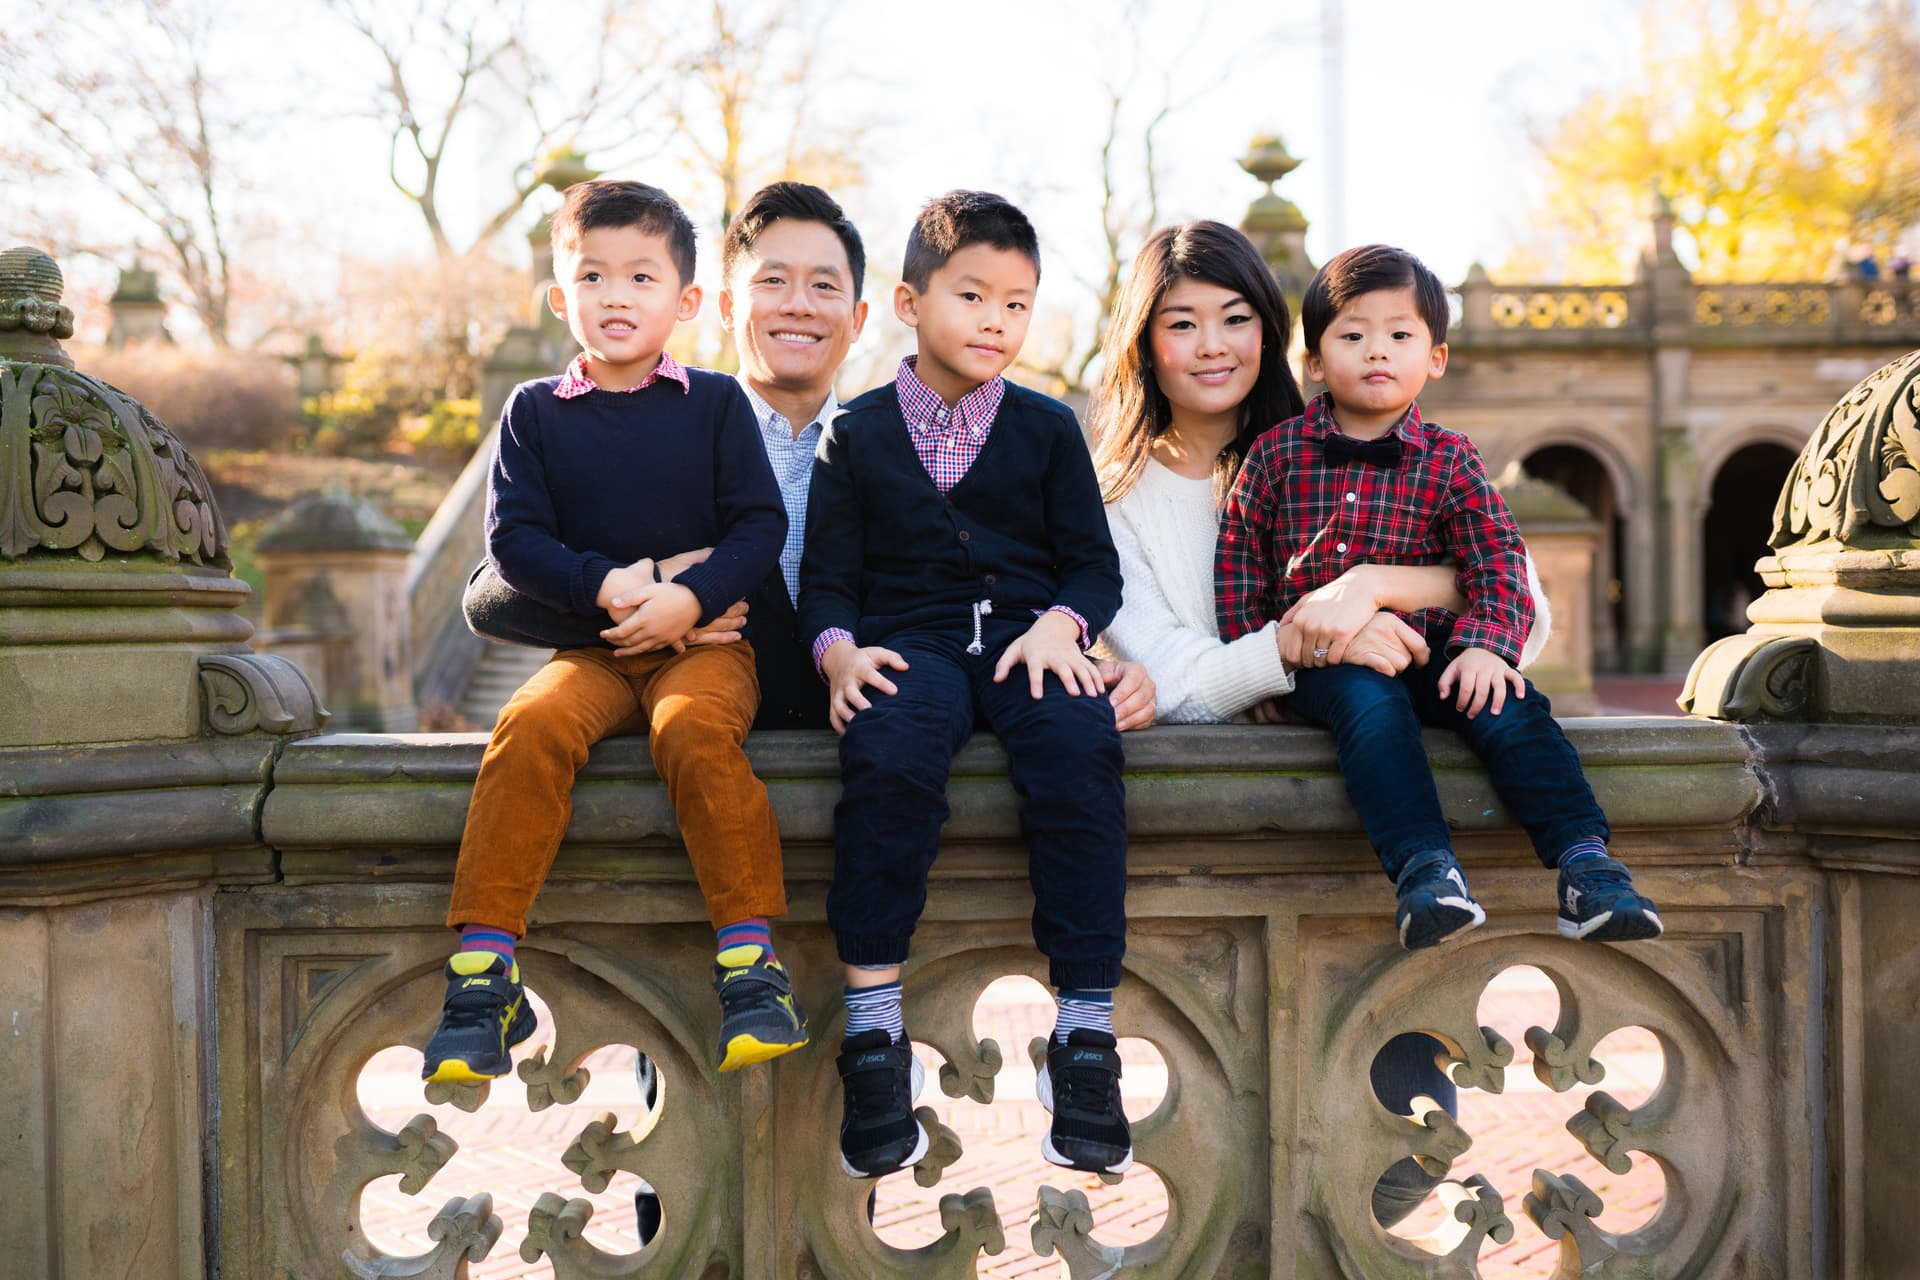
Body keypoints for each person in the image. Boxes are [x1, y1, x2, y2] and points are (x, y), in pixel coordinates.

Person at [1088, 219, 1551, 1230]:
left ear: (1273, 333)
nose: (1212, 344)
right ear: (1143, 340)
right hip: (1217, 826)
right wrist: (1300, 641)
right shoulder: (1112, 499)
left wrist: (1371, 584)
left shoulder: (1350, 433)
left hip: (1371, 827)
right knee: (1231, 1172)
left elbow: (1530, 604)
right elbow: (1177, 677)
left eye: (1235, 317)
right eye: (1182, 322)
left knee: (1384, 1163)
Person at [462, 180, 1157, 731]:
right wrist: (662, 594)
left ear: (860, 318)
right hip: (701, 745)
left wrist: (1108, 661)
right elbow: (491, 595)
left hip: (878, 743)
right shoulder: (667, 428)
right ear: (725, 307)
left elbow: (995, 588)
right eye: (772, 281)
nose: (799, 305)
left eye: (825, 285)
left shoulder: (894, 443)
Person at [421, 179, 810, 1089]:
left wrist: (687, 598)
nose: (616, 296)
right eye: (593, 276)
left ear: (683, 302)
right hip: (592, 654)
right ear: (562, 297)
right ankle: (485, 972)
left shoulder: (714, 404)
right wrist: (609, 586)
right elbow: (512, 543)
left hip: (709, 651)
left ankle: (751, 963)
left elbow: (759, 527)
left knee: (693, 735)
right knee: (528, 729)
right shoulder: (534, 413)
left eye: (641, 277)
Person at [801, 190, 1134, 1181]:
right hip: (911, 646)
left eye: (1019, 303)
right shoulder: (853, 433)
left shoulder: (1047, 427)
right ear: (910, 300)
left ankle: (1082, 1035)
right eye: (974, 296)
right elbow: (825, 577)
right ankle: (873, 1034)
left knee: (1079, 754)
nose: (997, 320)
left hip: (1034, 642)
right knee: (889, 757)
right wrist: (838, 653)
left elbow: (1092, 567)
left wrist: (1064, 624)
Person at [1216, 242, 1663, 954]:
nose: (1376, 352)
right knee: (1371, 709)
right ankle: (1426, 871)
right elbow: (1238, 566)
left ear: (1436, 357)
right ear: (1314, 361)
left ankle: (1587, 866)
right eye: (1353, 335)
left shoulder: (1452, 457)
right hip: (1329, 660)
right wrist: (1257, 675)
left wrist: (1489, 645)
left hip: (1438, 648)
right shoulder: (1275, 455)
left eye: (1400, 335)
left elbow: (1497, 559)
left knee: (1509, 705)